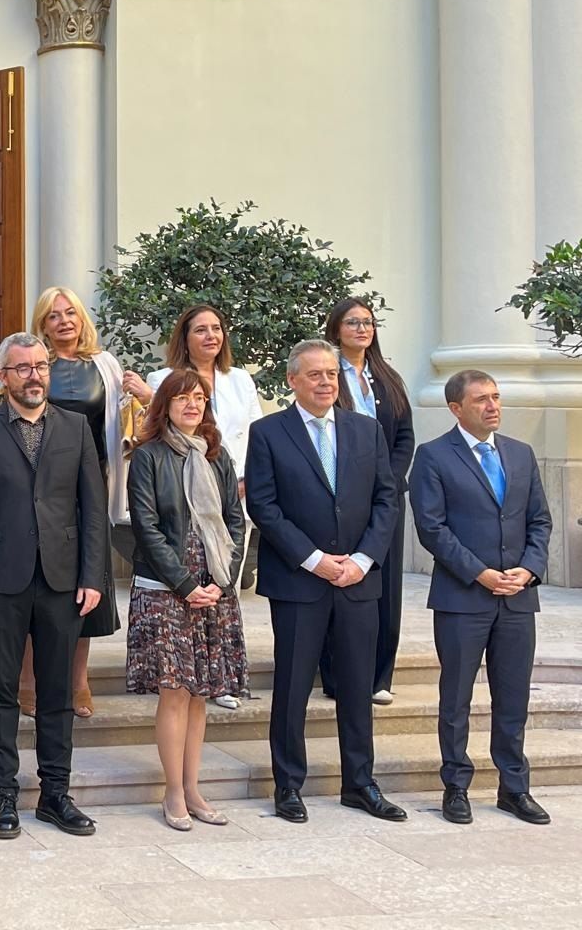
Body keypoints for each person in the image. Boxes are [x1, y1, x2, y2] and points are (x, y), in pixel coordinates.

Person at [0, 332, 108, 841]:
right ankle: (3, 798)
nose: (34, 375)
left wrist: (92, 576)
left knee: (58, 692)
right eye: (22, 368)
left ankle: (55, 796)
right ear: (4, 377)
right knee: (0, 690)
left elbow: (92, 509)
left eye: (40, 366)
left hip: (64, 580)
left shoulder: (77, 427)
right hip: (1, 581)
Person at [244, 340, 402, 825]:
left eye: (332, 374)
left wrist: (362, 559)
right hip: (299, 581)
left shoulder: (366, 430)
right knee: (292, 685)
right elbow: (264, 507)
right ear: (292, 380)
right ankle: (288, 784)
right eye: (314, 375)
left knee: (357, 685)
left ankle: (360, 783)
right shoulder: (268, 432)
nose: (326, 382)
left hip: (357, 580)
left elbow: (386, 500)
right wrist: (314, 560)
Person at [410, 370, 552, 826]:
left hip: (517, 599)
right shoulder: (432, 457)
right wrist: (481, 573)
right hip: (462, 598)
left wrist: (528, 570)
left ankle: (515, 788)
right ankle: (456, 786)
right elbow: (432, 529)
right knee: (456, 699)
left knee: (514, 698)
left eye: (496, 397)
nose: (493, 406)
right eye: (481, 400)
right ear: (456, 409)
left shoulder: (521, 454)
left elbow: (540, 521)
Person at [126, 369, 249, 831]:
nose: (192, 405)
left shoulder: (218, 457)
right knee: (176, 691)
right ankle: (172, 790)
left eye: (199, 397)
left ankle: (194, 786)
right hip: (166, 591)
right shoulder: (149, 457)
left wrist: (222, 580)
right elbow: (147, 527)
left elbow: (236, 522)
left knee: (201, 694)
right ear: (165, 405)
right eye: (182, 398)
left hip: (213, 589)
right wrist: (184, 584)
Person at [125, 303, 262, 707]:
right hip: (179, 515)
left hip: (227, 483)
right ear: (184, 337)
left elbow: (255, 431)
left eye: (217, 328)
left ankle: (215, 679)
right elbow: (147, 524)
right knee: (178, 673)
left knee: (220, 592)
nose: (210, 336)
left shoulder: (239, 380)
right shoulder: (160, 387)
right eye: (200, 329)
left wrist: (244, 477)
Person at [23, 285, 128, 720]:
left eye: (71, 313)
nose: (64, 321)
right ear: (42, 324)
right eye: (54, 315)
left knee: (85, 583)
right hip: (39, 488)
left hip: (90, 487)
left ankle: (77, 680)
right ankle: (28, 680)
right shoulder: (32, 362)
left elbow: (123, 423)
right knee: (35, 581)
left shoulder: (105, 366)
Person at [321, 297, 415, 705]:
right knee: (338, 583)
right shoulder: (326, 375)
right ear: (336, 329)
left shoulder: (387, 377)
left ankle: (380, 675)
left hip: (386, 499)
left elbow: (405, 435)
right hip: (340, 498)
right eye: (353, 322)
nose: (362, 329)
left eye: (368, 322)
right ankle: (336, 675)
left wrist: (388, 484)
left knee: (386, 585)